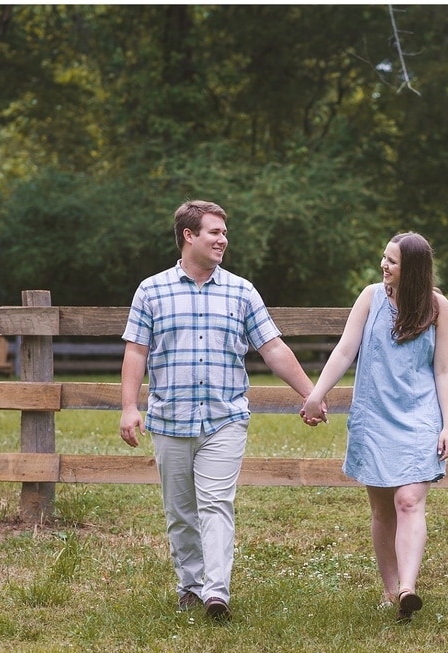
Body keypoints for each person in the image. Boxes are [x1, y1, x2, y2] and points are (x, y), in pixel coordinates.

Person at [120, 199, 325, 622]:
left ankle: (216, 593)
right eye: (214, 232)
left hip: (224, 418)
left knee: (216, 504)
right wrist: (128, 406)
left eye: (224, 233)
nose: (222, 240)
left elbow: (272, 348)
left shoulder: (241, 291)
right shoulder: (151, 290)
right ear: (188, 236)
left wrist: (310, 393)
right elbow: (136, 352)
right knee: (180, 511)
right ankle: (190, 587)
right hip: (169, 419)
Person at [302, 232, 448, 622]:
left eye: (392, 261)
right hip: (373, 417)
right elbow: (344, 350)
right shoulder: (370, 298)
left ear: (414, 270)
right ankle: (391, 591)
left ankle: (408, 587)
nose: (383, 266)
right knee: (382, 509)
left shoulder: (438, 307)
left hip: (419, 417)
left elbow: (444, 369)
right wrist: (316, 394)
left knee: (408, 501)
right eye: (384, 258)